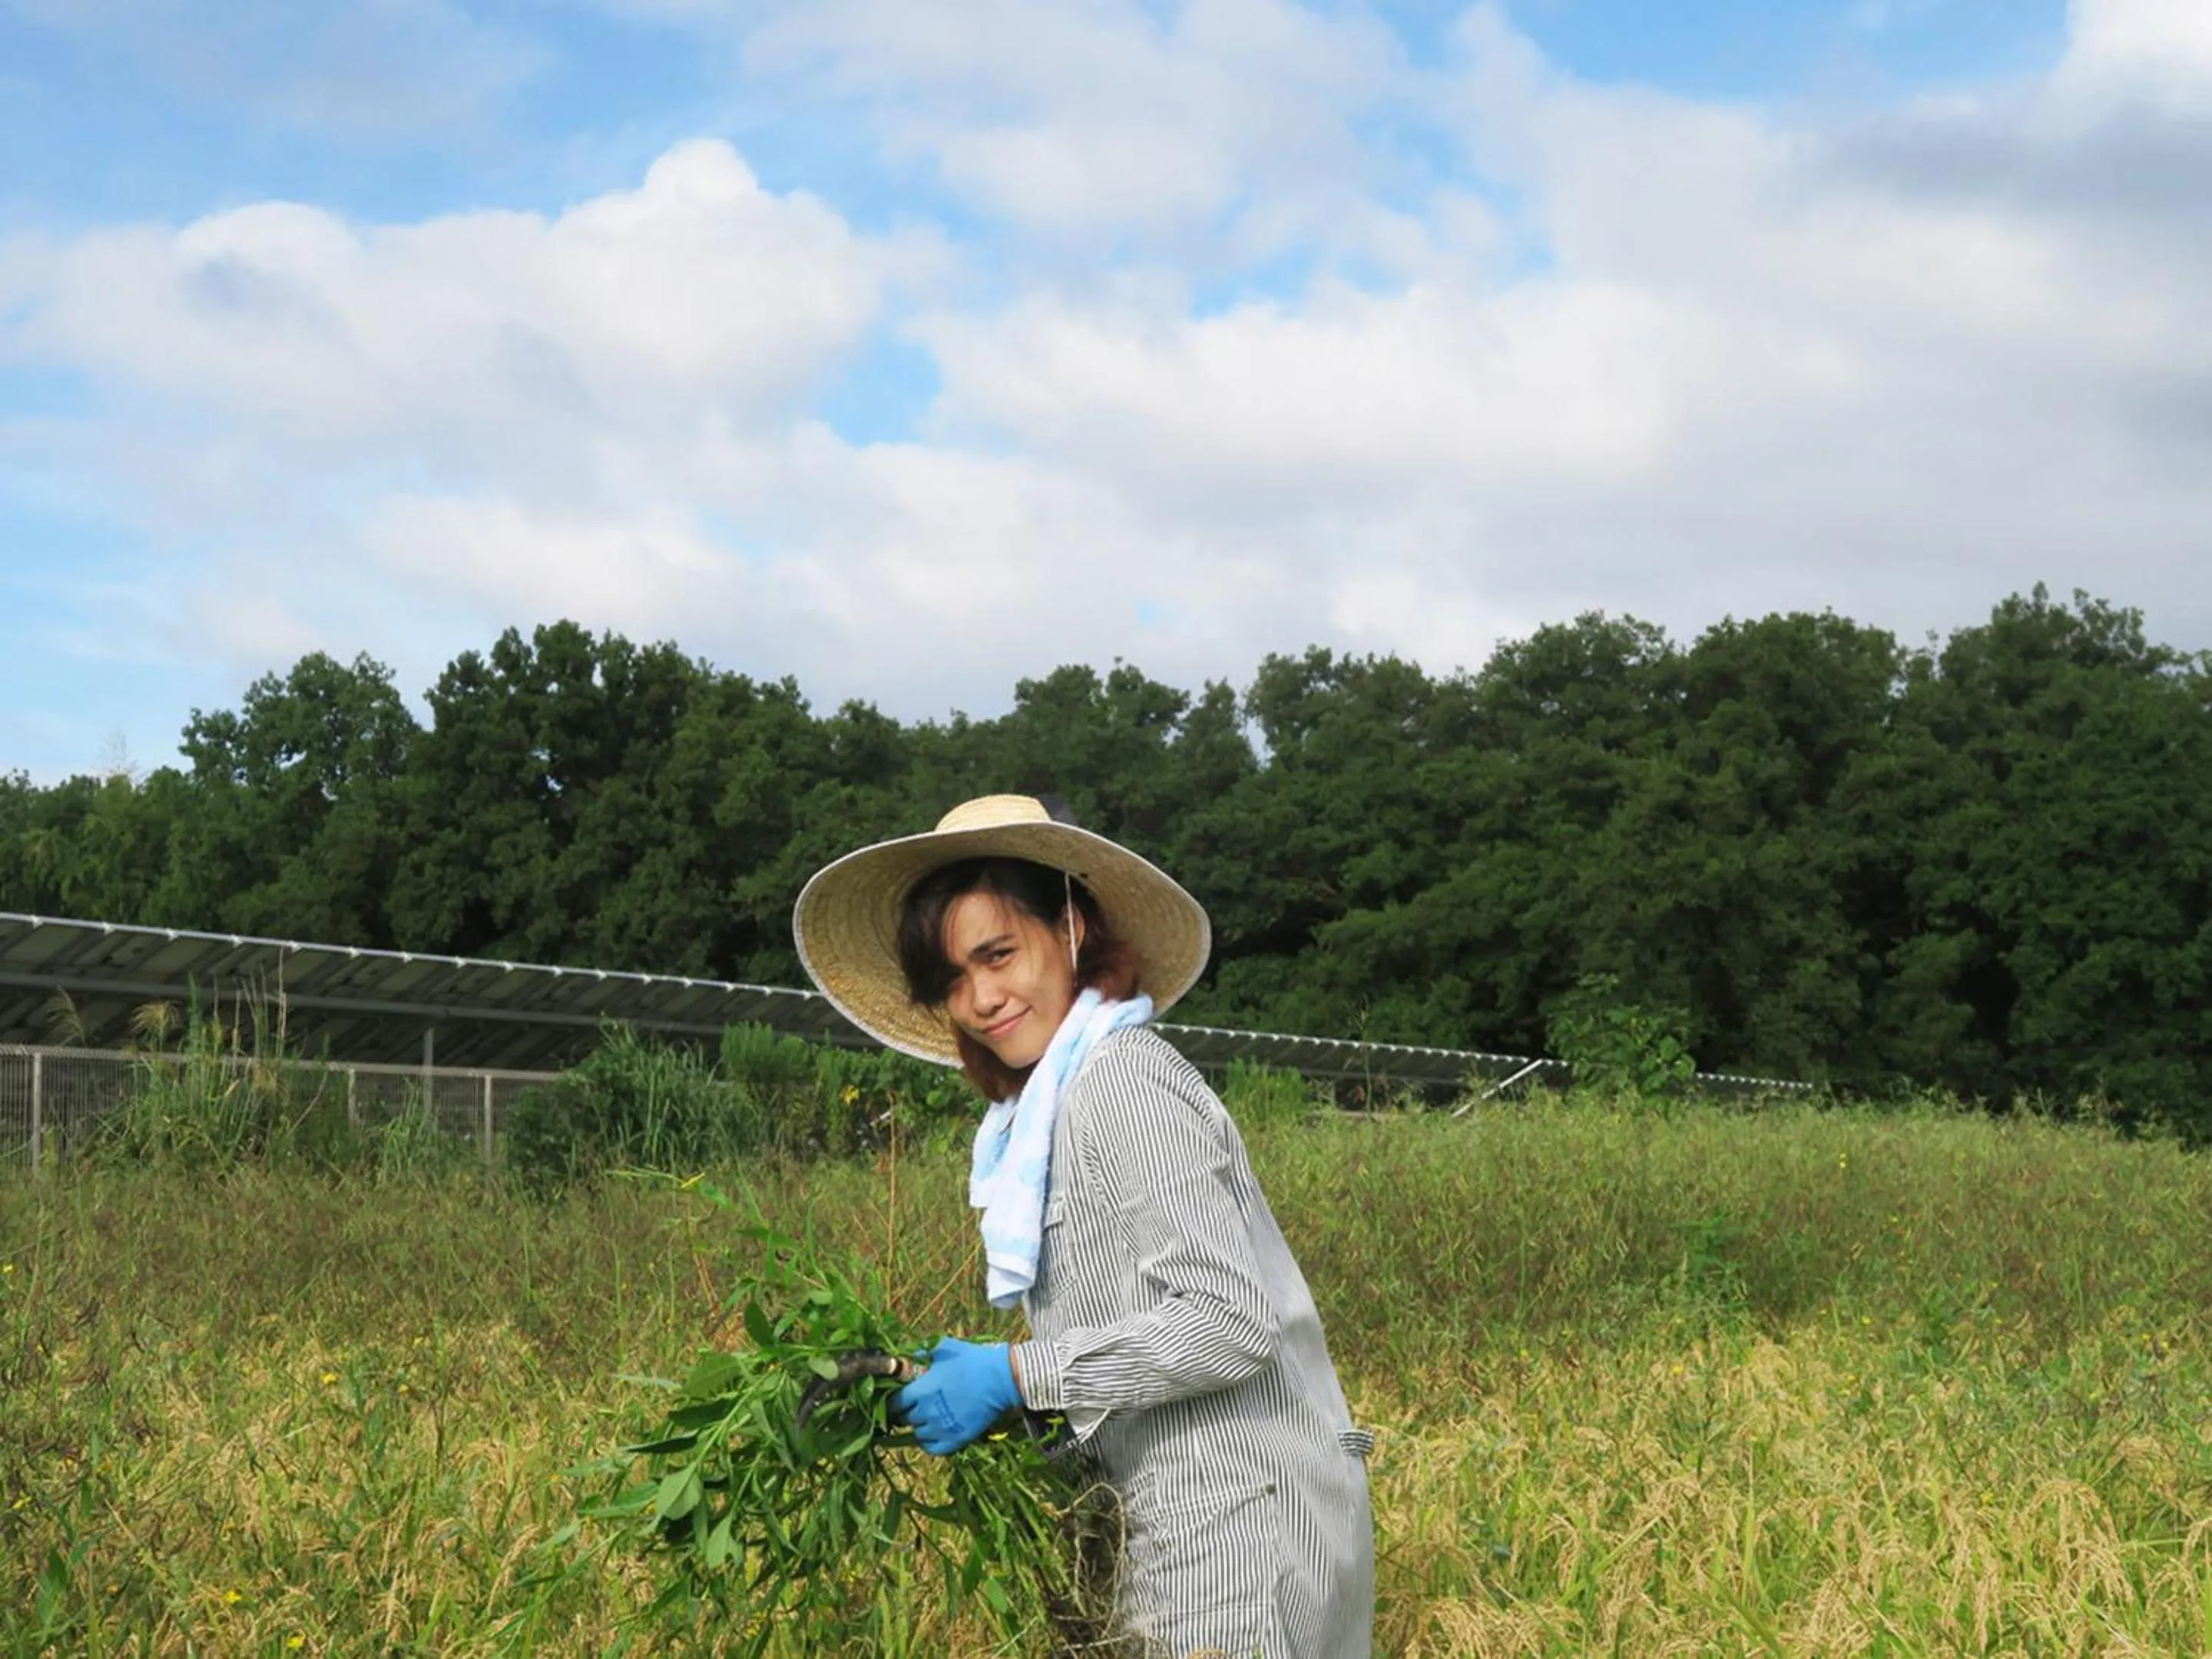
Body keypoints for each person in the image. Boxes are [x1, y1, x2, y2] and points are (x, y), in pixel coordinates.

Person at [793, 793, 1376, 1658]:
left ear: (1069, 927)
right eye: (953, 978)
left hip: (1238, 1537)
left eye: (998, 954)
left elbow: (1228, 1323)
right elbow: (1129, 1336)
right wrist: (935, 1388)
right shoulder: (1048, 1114)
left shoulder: (1119, 1082)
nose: (982, 998)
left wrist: (1019, 1372)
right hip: (1179, 1532)